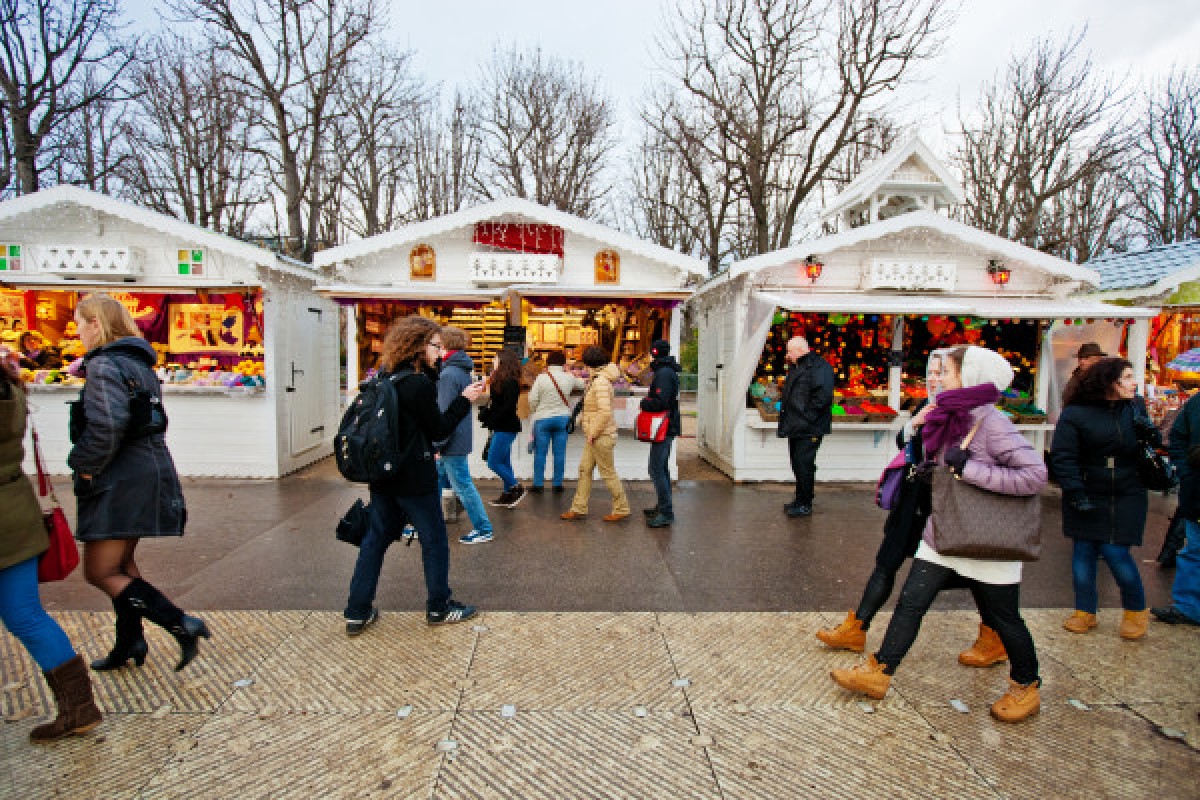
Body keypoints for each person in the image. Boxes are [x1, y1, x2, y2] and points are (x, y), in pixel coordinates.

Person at [831, 346, 1047, 723]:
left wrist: (972, 471)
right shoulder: (947, 415)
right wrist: (918, 429)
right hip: (944, 529)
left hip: (987, 539)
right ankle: (879, 671)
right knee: (911, 601)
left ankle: (1026, 685)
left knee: (1005, 617)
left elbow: (1034, 476)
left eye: (946, 371)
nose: (938, 377)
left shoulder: (992, 423)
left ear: (971, 377)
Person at [68, 295, 206, 673]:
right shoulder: (136, 363)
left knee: (100, 571)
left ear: (97, 323)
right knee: (123, 565)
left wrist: (82, 465)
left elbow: (109, 425)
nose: (77, 330)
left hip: (119, 479)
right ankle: (129, 641)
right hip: (145, 472)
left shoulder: (103, 365)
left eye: (80, 322)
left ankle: (180, 623)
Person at [344, 316, 486, 635]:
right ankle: (439, 606)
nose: (440, 353)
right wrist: (465, 400)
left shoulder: (386, 377)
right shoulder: (417, 384)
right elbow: (439, 428)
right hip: (414, 477)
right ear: (420, 346)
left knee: (375, 540)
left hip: (383, 475)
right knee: (434, 540)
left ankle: (357, 610)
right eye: (436, 346)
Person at [0, 345, 103, 742]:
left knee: (25, 615)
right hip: (16, 513)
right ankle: (80, 708)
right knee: (26, 615)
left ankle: (79, 709)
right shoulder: (11, 387)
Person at [1051, 357, 1156, 640]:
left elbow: (1152, 446)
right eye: (1129, 377)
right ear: (1110, 381)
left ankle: (1135, 609)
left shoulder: (1134, 408)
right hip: (1087, 487)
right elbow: (1063, 456)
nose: (1135, 382)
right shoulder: (1076, 414)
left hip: (1128, 489)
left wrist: (1150, 435)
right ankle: (1084, 610)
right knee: (1084, 550)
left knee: (1115, 551)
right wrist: (1075, 491)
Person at [434, 326, 494, 545]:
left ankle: (483, 528)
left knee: (462, 484)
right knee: (441, 480)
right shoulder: (460, 370)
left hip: (450, 439)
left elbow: (445, 411)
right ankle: (423, 522)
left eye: (437, 345)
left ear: (444, 345)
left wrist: (438, 444)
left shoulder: (449, 374)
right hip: (457, 437)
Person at [561, 345, 630, 523]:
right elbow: (593, 408)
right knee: (585, 469)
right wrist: (578, 421)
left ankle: (621, 508)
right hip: (595, 435)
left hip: (600, 436)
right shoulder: (598, 378)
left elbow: (604, 412)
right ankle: (578, 507)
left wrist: (592, 433)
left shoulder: (599, 382)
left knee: (607, 473)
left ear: (589, 363)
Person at [1155, 390, 1200, 625]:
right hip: (1197, 491)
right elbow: (1178, 439)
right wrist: (1186, 472)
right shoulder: (1196, 403)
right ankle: (1188, 607)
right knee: (1193, 551)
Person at [776, 335, 834, 517]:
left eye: (790, 351)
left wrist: (808, 417)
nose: (787, 355)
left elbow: (823, 396)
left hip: (810, 427)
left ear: (801, 350)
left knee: (804, 464)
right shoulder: (798, 366)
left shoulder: (819, 367)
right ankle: (800, 499)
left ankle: (805, 503)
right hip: (796, 425)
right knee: (797, 463)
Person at [527, 350, 584, 493]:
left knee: (540, 453)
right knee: (559, 453)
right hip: (562, 419)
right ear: (564, 363)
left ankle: (538, 484)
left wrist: (537, 410)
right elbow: (583, 385)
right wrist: (574, 374)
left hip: (543, 419)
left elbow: (532, 399)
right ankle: (557, 484)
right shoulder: (569, 378)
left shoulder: (541, 378)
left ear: (548, 363)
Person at [640, 339, 682, 528]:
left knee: (656, 469)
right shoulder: (666, 370)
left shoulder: (663, 373)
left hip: (665, 426)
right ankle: (662, 506)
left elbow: (661, 402)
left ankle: (666, 512)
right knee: (661, 468)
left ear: (655, 352)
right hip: (668, 425)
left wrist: (644, 403)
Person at [480, 347, 525, 508]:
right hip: (503, 427)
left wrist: (491, 417)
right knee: (504, 462)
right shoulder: (501, 379)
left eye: (495, 358)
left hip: (506, 427)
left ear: (503, 361)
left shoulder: (510, 382)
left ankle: (516, 487)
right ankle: (508, 494)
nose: (493, 361)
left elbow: (507, 406)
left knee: (493, 462)